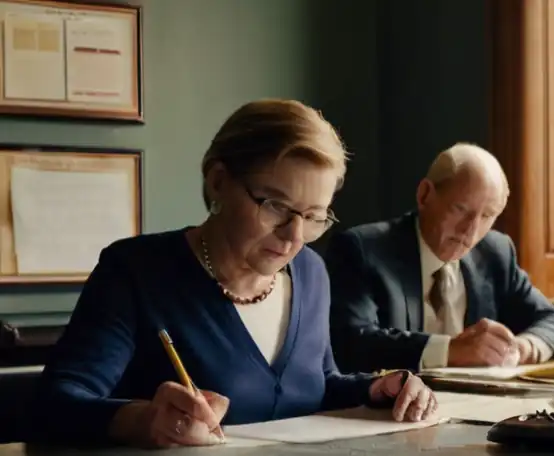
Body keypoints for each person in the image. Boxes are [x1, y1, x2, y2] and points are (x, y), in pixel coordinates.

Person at [29, 99, 437, 449]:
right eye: (276, 206)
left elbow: (316, 386)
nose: (295, 237)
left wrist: (376, 388)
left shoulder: (311, 273)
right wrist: (143, 420)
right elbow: (56, 405)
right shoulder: (136, 271)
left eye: (313, 217)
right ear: (219, 181)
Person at [325, 143, 554, 374]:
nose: (471, 230)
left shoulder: (495, 252)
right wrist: (450, 351)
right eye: (461, 209)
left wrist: (520, 348)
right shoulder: (363, 249)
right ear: (424, 195)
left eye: (487, 216)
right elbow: (351, 343)